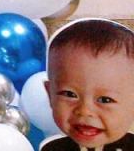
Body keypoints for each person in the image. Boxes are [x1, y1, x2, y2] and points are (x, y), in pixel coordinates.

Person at [41, 19, 134, 151]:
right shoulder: (53, 149)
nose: (85, 111)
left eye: (105, 100)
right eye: (70, 94)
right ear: (50, 95)